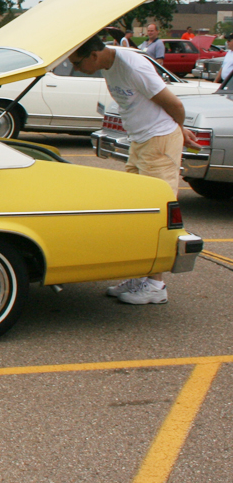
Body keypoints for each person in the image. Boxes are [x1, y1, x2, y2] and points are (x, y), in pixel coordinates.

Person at [69, 35, 201, 305]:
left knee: (157, 211)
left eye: (77, 62)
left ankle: (156, 284)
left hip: (159, 141)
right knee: (136, 210)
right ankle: (141, 276)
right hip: (141, 141)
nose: (76, 68)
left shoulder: (133, 67)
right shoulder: (109, 62)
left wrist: (177, 129)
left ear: (93, 55)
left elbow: (174, 104)